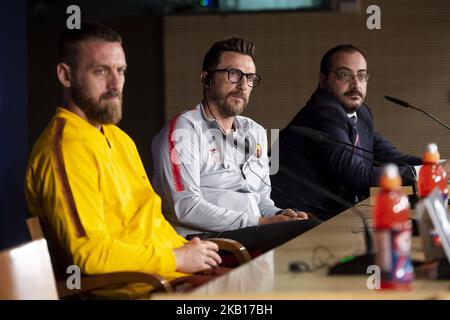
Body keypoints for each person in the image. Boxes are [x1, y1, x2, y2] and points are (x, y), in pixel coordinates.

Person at [24, 22, 223, 299]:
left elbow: (147, 221)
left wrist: (190, 249)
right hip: (146, 288)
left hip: (175, 276)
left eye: (121, 71)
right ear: (65, 75)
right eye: (100, 71)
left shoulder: (119, 138)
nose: (115, 84)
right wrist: (176, 258)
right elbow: (90, 255)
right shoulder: (64, 149)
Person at [151, 38, 320, 252]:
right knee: (310, 232)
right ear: (206, 79)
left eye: (250, 78)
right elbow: (185, 207)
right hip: (205, 241)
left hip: (248, 232)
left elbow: (260, 200)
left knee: (309, 226)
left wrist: (279, 216)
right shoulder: (183, 130)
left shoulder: (255, 132)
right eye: (233, 74)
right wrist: (260, 223)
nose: (242, 86)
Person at [270, 44, 422, 221]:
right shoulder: (323, 113)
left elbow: (391, 156)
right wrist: (425, 173)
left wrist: (437, 165)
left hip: (334, 215)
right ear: (323, 80)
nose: (355, 84)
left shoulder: (361, 114)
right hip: (299, 219)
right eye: (344, 74)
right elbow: (357, 176)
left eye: (362, 75)